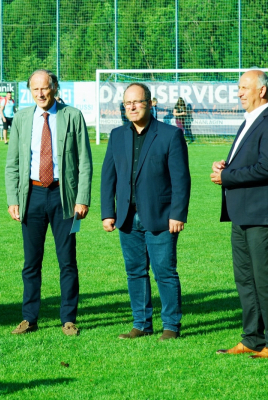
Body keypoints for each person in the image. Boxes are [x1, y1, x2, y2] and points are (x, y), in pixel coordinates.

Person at [5, 69, 93, 336]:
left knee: (67, 261)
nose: (40, 94)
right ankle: (29, 318)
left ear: (54, 88)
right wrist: (13, 199)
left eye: (45, 88)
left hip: (63, 197)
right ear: (29, 91)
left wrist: (82, 198)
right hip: (31, 196)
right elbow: (13, 164)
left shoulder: (72, 116)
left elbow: (85, 163)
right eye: (35, 90)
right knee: (31, 262)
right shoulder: (21, 118)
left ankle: (68, 318)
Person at [211, 70, 268, 359]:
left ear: (262, 91)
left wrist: (227, 176)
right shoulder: (251, 121)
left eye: (244, 88)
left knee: (266, 279)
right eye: (238, 88)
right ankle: (252, 337)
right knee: (245, 280)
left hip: (264, 215)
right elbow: (249, 162)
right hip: (243, 215)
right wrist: (226, 166)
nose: (239, 92)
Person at [101, 83, 191, 341]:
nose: (131, 107)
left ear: (150, 103)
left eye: (137, 102)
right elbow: (109, 177)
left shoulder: (170, 135)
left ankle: (171, 326)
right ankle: (141, 324)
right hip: (126, 219)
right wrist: (108, 212)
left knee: (164, 271)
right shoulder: (117, 135)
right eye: (127, 103)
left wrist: (178, 214)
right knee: (135, 272)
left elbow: (181, 180)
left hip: (161, 217)